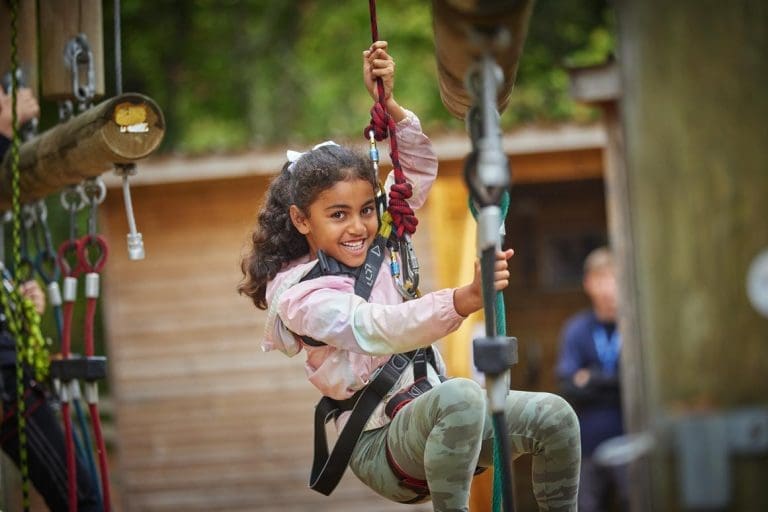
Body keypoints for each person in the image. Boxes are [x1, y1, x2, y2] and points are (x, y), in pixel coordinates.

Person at [240, 41, 581, 511]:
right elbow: (372, 327)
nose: (358, 226)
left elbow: (415, 172)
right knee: (461, 395)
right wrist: (460, 300)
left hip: (441, 419)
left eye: (365, 210)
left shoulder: (379, 243)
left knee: (555, 416)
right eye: (337, 215)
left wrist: (391, 105)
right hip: (379, 440)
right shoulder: (299, 296)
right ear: (302, 220)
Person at [0, 84, 101, 511]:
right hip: (6, 389)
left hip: (11, 381)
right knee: (81, 499)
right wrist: (4, 130)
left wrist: (23, 304)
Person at [555, 247, 628, 512]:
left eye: (614, 278)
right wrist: (616, 382)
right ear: (588, 284)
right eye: (601, 279)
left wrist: (592, 378)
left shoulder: (637, 326)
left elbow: (640, 385)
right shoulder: (576, 329)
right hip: (587, 446)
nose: (608, 288)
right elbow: (568, 385)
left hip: (630, 439)